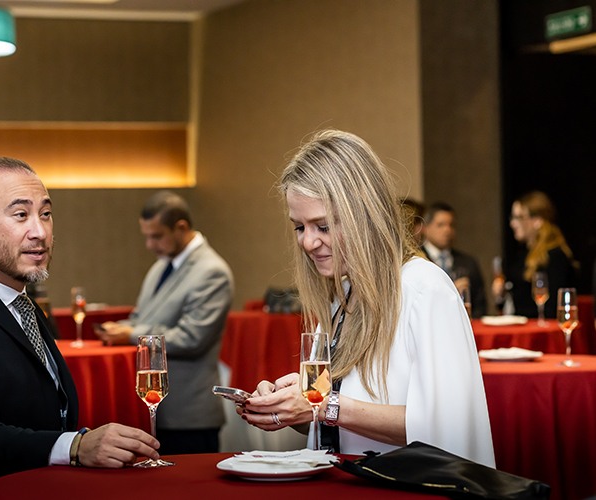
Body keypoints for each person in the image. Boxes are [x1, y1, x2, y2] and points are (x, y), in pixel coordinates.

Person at [0, 157, 159, 500]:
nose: (39, 232)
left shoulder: (23, 304)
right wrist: (75, 446)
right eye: (21, 215)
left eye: (46, 214)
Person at [238, 130, 495, 467]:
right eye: (299, 227)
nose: (308, 243)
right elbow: (332, 420)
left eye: (323, 226)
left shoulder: (424, 290)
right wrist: (293, 405)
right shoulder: (342, 296)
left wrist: (325, 405)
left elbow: (447, 429)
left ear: (365, 216)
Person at [97, 191, 234, 455]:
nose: (150, 244)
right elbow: (142, 318)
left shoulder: (211, 271)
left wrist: (131, 334)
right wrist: (120, 327)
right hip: (155, 407)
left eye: (157, 236)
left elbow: (192, 338)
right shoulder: (161, 266)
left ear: (181, 227)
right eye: (147, 236)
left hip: (188, 413)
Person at [492, 191, 578, 318]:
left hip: (541, 328)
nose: (512, 223)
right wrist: (501, 293)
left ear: (537, 220)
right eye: (512, 217)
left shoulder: (555, 256)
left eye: (519, 217)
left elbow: (552, 310)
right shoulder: (521, 255)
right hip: (522, 325)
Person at [421, 201, 488, 318]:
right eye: (440, 225)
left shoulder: (468, 262)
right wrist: (452, 291)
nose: (447, 230)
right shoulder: (417, 261)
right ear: (425, 228)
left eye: (451, 225)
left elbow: (480, 307)